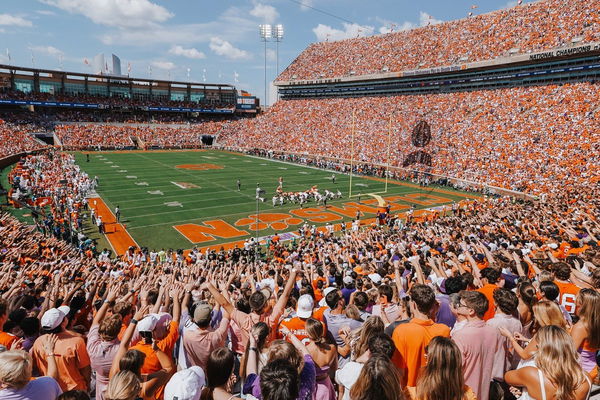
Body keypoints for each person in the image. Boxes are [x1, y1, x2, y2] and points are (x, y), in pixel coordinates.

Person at [504, 325, 592, 400]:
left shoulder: (531, 374)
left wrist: (523, 385)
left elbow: (507, 377)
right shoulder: (586, 379)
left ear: (540, 348)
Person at [391, 284, 450, 388]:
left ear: (413, 305)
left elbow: (398, 372)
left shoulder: (401, 331)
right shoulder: (444, 330)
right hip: (437, 392)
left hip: (411, 394)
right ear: (433, 305)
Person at [452, 290, 503, 400]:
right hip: (484, 392)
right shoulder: (494, 332)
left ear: (471, 311)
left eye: (460, 304)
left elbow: (455, 369)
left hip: (465, 393)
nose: (457, 306)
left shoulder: (460, 335)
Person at [30, 307, 91, 392]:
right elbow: (85, 369)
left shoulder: (38, 342)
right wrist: (88, 384)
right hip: (75, 391)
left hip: (50, 390)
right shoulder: (77, 341)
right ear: (64, 322)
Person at [570, 288, 600, 373]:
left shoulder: (581, 326)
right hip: (592, 368)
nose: (574, 302)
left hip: (581, 370)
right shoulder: (594, 323)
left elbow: (570, 353)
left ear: (584, 305)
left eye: (577, 301)